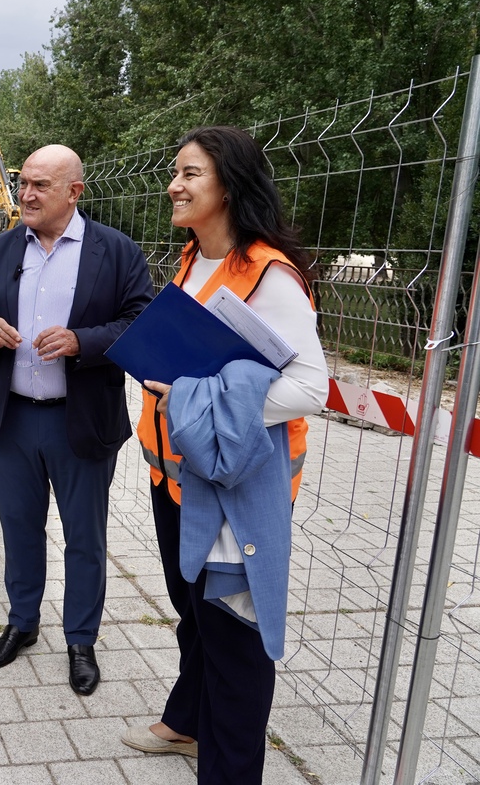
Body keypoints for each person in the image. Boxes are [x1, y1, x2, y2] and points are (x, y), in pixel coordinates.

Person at [120, 126, 328, 784]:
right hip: (177, 480)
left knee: (234, 641)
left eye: (190, 174)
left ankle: (231, 768)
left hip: (235, 497)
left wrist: (195, 398)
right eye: (176, 173)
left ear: (229, 186)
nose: (173, 186)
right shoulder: (195, 258)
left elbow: (309, 388)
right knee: (193, 612)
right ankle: (187, 719)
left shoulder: (268, 274)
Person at [0, 144, 154, 694]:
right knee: (20, 529)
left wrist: (81, 342)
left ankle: (81, 638)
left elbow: (139, 323)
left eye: (40, 185)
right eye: (23, 183)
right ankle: (22, 623)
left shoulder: (114, 252)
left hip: (81, 421)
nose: (25, 194)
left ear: (75, 192)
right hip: (12, 422)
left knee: (84, 537)